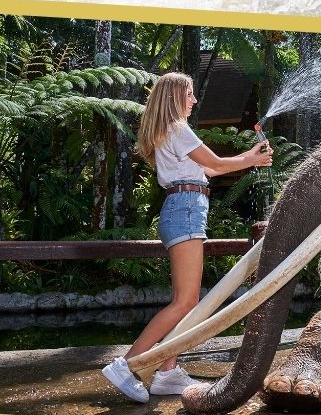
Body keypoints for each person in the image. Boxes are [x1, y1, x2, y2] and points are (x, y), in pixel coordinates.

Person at [100, 72, 273, 403]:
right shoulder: (178, 129)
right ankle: (127, 365)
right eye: (189, 94)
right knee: (184, 301)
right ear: (174, 96)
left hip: (184, 207)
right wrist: (253, 159)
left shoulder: (172, 131)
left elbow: (211, 170)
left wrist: (250, 160)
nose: (193, 100)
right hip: (185, 209)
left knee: (187, 300)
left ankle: (166, 371)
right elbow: (217, 162)